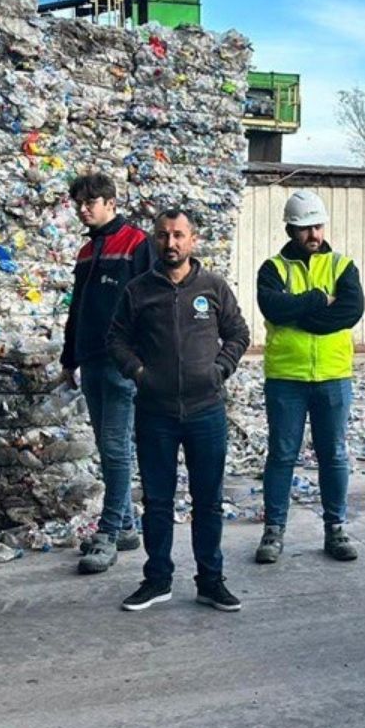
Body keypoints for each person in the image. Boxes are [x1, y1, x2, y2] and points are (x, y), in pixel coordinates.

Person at [107, 208, 250, 613]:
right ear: (155, 240)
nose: (171, 243)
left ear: (193, 240)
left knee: (207, 500)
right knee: (158, 500)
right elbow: (116, 340)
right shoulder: (138, 290)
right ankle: (157, 580)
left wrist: (220, 368)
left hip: (206, 412)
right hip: (156, 413)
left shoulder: (213, 287)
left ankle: (211, 580)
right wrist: (138, 372)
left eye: (179, 235)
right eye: (163, 236)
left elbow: (238, 333)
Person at [254, 190, 365, 564]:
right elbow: (273, 306)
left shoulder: (342, 265)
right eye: (305, 228)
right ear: (290, 229)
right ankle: (274, 531)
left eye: (318, 226)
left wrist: (298, 312)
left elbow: (350, 311)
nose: (313, 234)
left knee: (333, 454)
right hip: (286, 376)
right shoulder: (272, 269)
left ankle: (336, 529)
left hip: (334, 374)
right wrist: (319, 300)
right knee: (282, 454)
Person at [60, 172, 153, 575]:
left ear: (111, 203)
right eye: (79, 202)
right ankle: (128, 527)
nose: (84, 208)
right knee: (107, 446)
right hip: (91, 360)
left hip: (120, 364)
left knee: (115, 448)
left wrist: (142, 361)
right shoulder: (86, 251)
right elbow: (78, 307)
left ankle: (110, 532)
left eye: (91, 201)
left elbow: (153, 305)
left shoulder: (136, 244)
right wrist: (69, 357)